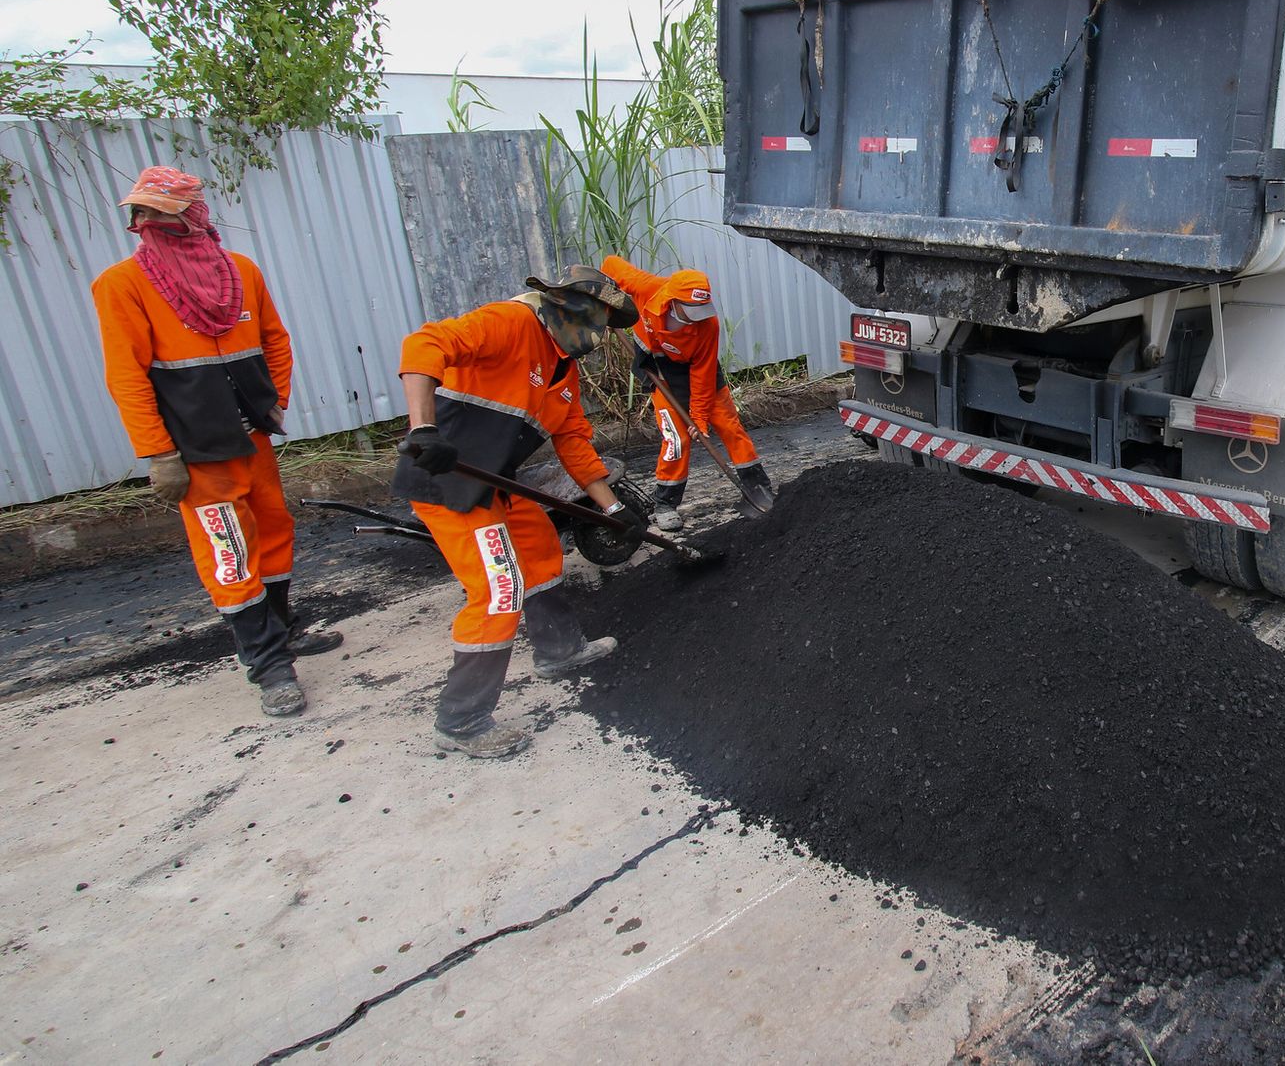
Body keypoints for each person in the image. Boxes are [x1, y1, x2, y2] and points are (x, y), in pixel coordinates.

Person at [91, 167, 342, 719]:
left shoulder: (241, 273)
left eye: (161, 212)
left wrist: (275, 400)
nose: (148, 223)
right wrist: (157, 453)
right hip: (196, 453)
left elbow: (275, 338)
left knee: (274, 533)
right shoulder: (122, 286)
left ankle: (283, 630)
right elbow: (126, 376)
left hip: (252, 438)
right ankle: (269, 665)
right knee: (230, 554)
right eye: (142, 214)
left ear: (194, 216)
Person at [394, 266, 643, 758]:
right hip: (447, 479)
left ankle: (559, 650)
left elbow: (574, 445)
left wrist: (614, 509)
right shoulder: (509, 323)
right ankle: (462, 721)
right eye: (594, 322)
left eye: (604, 327)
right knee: (498, 588)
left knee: (539, 549)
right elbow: (422, 344)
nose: (596, 337)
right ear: (563, 307)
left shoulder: (563, 371)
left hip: (496, 480)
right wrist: (423, 430)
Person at [599, 258, 775, 529]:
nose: (698, 316)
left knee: (730, 427)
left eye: (701, 309)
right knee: (676, 438)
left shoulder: (708, 325)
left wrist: (700, 418)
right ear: (672, 301)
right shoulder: (648, 289)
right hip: (659, 372)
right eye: (692, 309)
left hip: (697, 373)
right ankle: (666, 503)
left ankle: (758, 487)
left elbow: (703, 375)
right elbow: (611, 264)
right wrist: (604, 301)